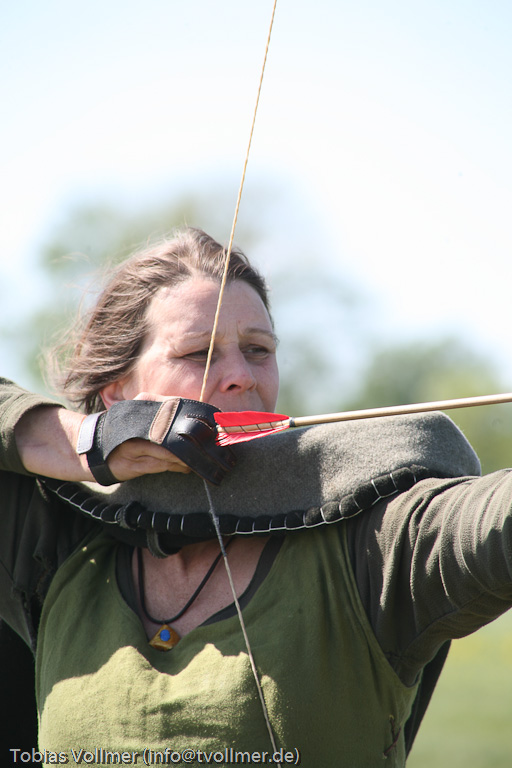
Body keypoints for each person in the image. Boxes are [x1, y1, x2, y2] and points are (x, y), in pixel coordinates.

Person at [1, 227, 512, 767]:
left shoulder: (376, 540)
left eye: (258, 350)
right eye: (198, 353)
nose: (241, 377)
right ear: (117, 393)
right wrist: (85, 441)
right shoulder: (57, 536)